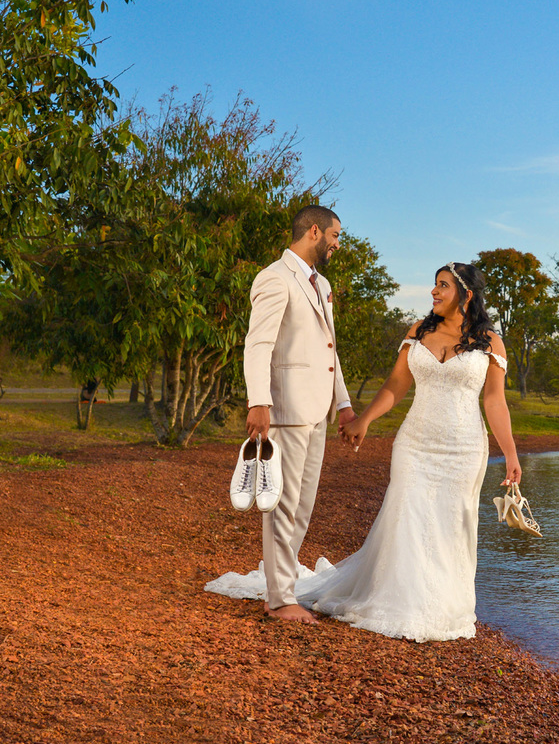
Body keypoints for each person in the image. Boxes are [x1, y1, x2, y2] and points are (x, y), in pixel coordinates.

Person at [210, 262, 522, 643]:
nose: (434, 292)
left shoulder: (491, 342)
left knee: (451, 524)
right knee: (407, 516)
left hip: (464, 448)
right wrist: (363, 421)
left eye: (442, 286)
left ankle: (444, 605)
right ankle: (400, 603)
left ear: (466, 294)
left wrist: (510, 454)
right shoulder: (419, 332)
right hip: (415, 443)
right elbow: (395, 385)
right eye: (434, 284)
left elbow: (495, 402)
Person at [207, 205, 355, 625]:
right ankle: (278, 599)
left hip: (317, 412)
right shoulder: (273, 277)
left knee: (302, 507)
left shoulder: (321, 284)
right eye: (335, 236)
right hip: (286, 409)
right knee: (282, 506)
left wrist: (343, 406)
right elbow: (258, 345)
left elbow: (330, 352)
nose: (337, 245)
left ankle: (282, 588)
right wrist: (259, 402)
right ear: (314, 231)